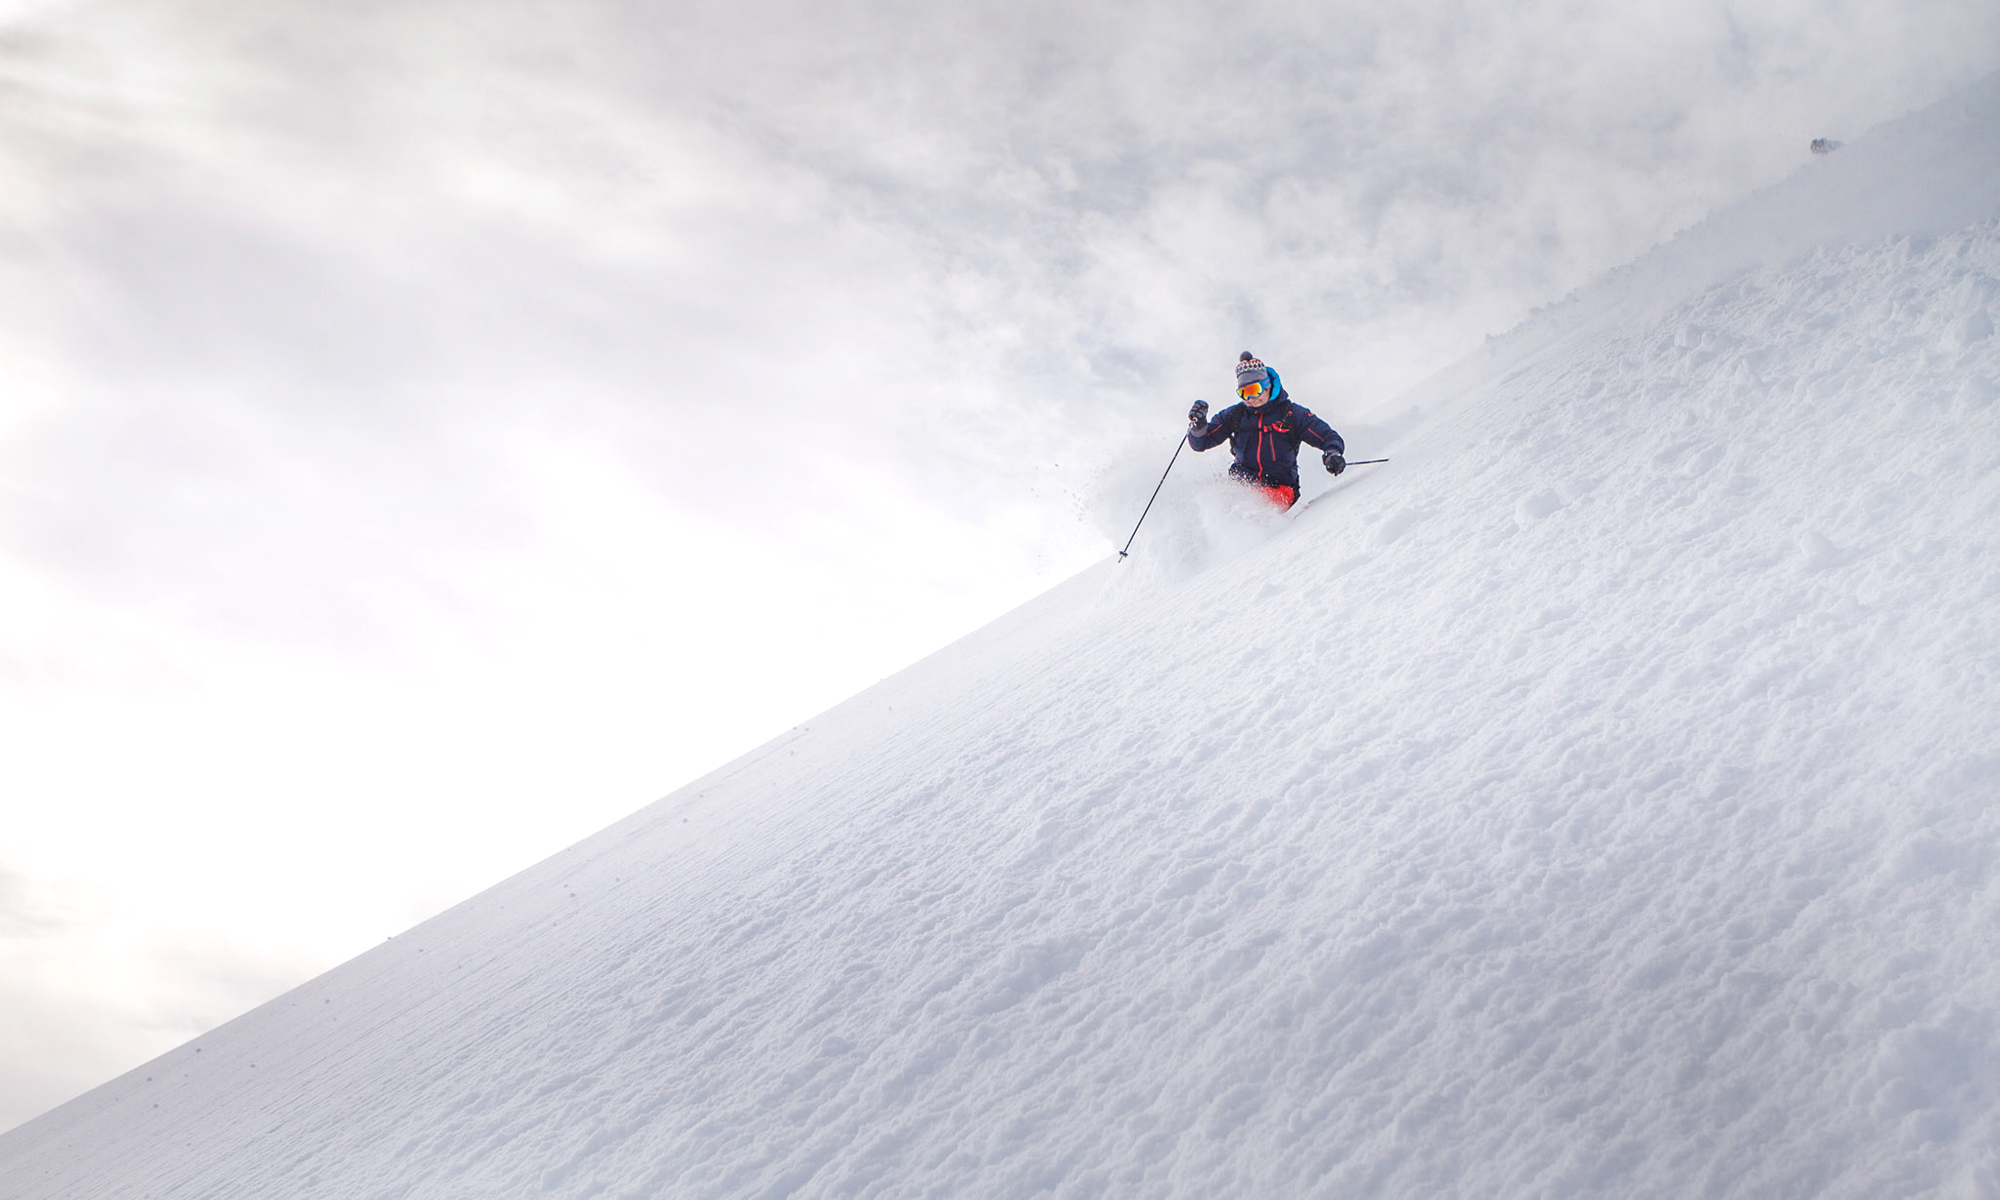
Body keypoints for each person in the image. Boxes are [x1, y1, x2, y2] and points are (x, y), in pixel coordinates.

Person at [1186, 352, 1345, 509]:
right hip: (1241, 487)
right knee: (1210, 502)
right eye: (1244, 393)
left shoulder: (1291, 414)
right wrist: (1198, 426)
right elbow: (1201, 443)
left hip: (1280, 489)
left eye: (1254, 390)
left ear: (1267, 384)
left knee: (1247, 507)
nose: (1250, 398)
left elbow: (1327, 435)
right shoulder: (1234, 416)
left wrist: (1333, 453)